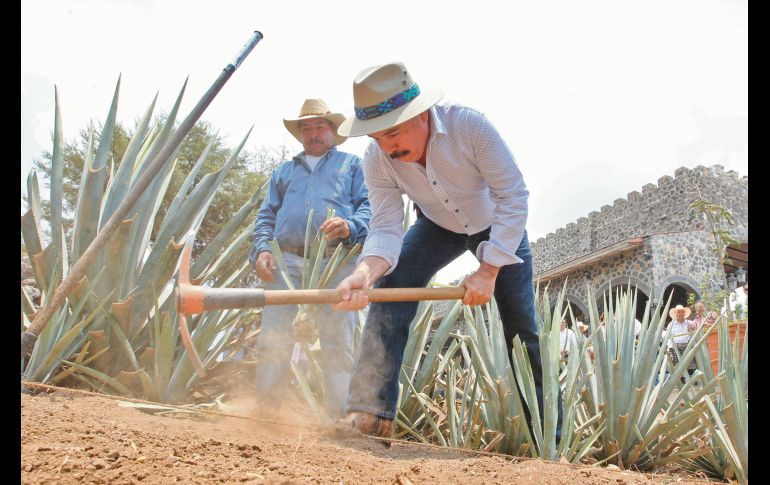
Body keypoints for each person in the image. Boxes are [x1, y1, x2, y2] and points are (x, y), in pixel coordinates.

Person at [331, 61, 561, 438]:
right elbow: (386, 228)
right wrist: (363, 275)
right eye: (376, 138)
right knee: (389, 290)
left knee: (522, 329)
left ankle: (548, 438)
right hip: (438, 226)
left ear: (421, 114)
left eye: (392, 132)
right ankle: (370, 415)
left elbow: (513, 196)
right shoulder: (377, 160)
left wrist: (489, 271)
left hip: (499, 227)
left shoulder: (469, 126)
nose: (387, 147)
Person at [248, 98, 371, 418]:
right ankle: (268, 415)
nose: (314, 133)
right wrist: (262, 249)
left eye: (320, 126)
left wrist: (350, 226)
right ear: (300, 134)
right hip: (286, 261)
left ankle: (337, 420)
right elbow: (266, 217)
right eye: (307, 128)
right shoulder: (284, 172)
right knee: (273, 337)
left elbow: (369, 209)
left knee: (338, 341)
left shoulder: (352, 166)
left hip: (337, 262)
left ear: (332, 130)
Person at [666, 305, 696, 379]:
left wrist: (694, 328)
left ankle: (690, 383)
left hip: (687, 346)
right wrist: (670, 347)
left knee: (689, 365)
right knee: (677, 366)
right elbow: (668, 337)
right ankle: (680, 383)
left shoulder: (690, 323)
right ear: (676, 314)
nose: (681, 313)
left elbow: (697, 331)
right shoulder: (671, 325)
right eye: (679, 312)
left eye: (682, 312)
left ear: (684, 313)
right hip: (675, 348)